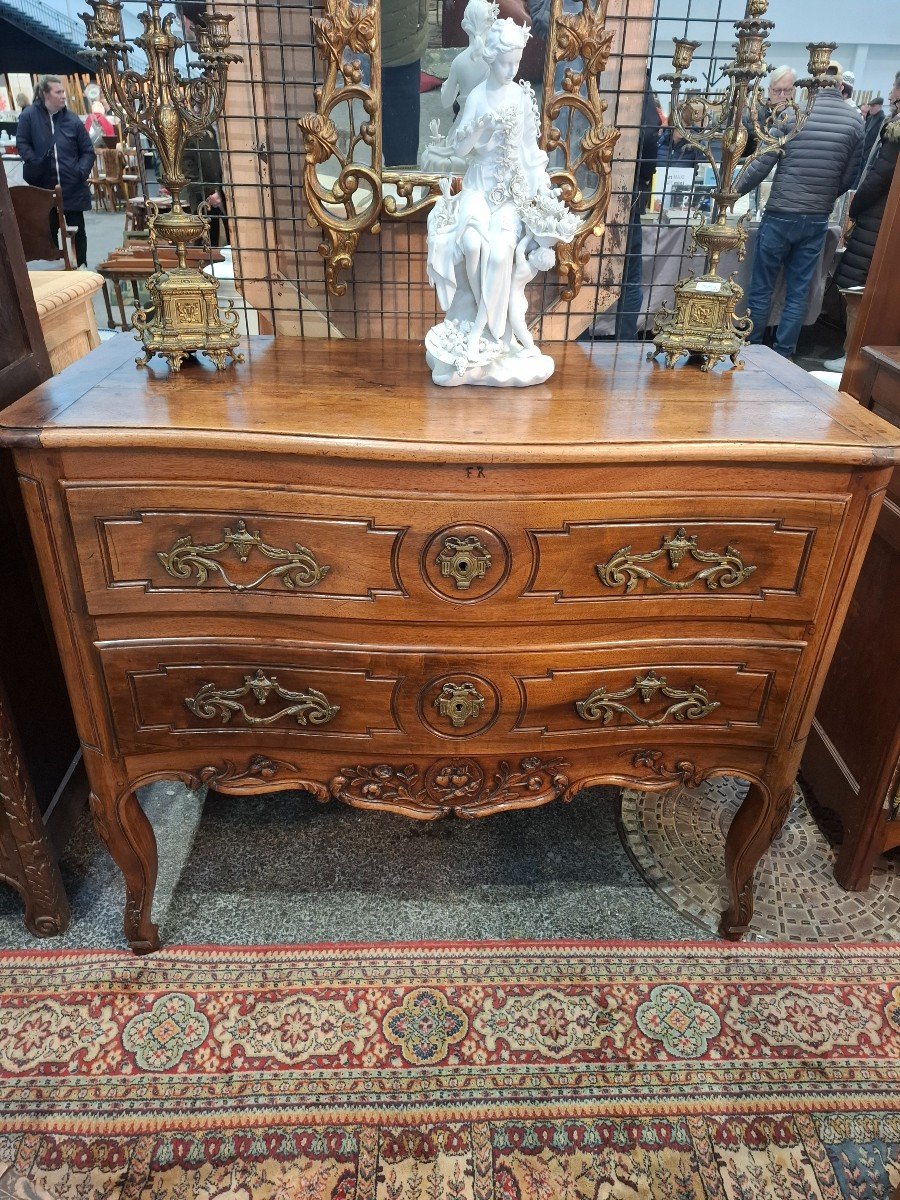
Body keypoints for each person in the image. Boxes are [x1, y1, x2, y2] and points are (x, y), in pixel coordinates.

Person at [735, 73, 863, 359]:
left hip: (780, 213)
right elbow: (849, 177)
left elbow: (763, 162)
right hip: (817, 217)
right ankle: (783, 355)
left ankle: (752, 349)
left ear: (809, 87)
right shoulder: (855, 121)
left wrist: (733, 192)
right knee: (798, 291)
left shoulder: (796, 115)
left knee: (762, 286)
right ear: (841, 88)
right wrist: (824, 196)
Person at [824, 73, 900, 370]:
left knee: (860, 292)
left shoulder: (893, 133)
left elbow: (877, 178)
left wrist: (854, 208)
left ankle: (853, 357)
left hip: (877, 223)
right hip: (882, 222)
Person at [15, 76, 95, 268]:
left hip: (72, 186)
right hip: (44, 188)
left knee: (78, 230)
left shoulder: (72, 119)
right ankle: (57, 268)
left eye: (63, 92)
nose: (63, 96)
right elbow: (22, 143)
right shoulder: (29, 116)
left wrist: (80, 171)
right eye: (58, 92)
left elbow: (88, 151)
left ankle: (82, 266)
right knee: (49, 231)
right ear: (45, 94)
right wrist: (34, 162)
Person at [614, 77, 661, 341]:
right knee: (630, 280)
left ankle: (574, 344)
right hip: (626, 190)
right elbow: (650, 131)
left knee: (581, 276)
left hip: (584, 191)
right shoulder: (636, 72)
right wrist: (643, 177)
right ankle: (625, 344)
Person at [856, 94, 887, 183]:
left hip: (869, 155)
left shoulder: (882, 120)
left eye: (873, 106)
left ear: (880, 106)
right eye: (870, 105)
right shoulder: (870, 118)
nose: (871, 108)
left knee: (863, 179)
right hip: (862, 153)